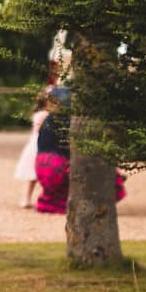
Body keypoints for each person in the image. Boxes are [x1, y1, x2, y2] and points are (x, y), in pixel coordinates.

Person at [30, 86, 127, 214]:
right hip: (56, 168)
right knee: (103, 169)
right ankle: (91, 204)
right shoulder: (73, 123)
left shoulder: (49, 119)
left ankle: (55, 202)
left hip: (41, 167)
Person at [16, 88, 53, 208]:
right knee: (33, 176)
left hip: (41, 144)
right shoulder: (42, 115)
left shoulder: (46, 114)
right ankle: (27, 198)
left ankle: (41, 198)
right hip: (38, 145)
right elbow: (38, 131)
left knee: (42, 175)